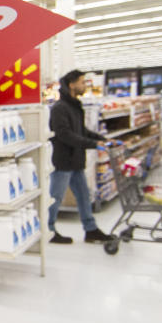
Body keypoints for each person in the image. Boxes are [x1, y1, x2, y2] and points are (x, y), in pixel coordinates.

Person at [47, 70, 113, 244]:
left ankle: (90, 230)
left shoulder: (75, 106)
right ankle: (49, 230)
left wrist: (103, 139)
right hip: (62, 161)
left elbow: (81, 131)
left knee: (84, 196)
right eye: (82, 82)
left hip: (76, 160)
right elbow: (64, 135)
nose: (85, 85)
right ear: (72, 84)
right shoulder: (60, 108)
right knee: (55, 198)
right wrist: (93, 144)